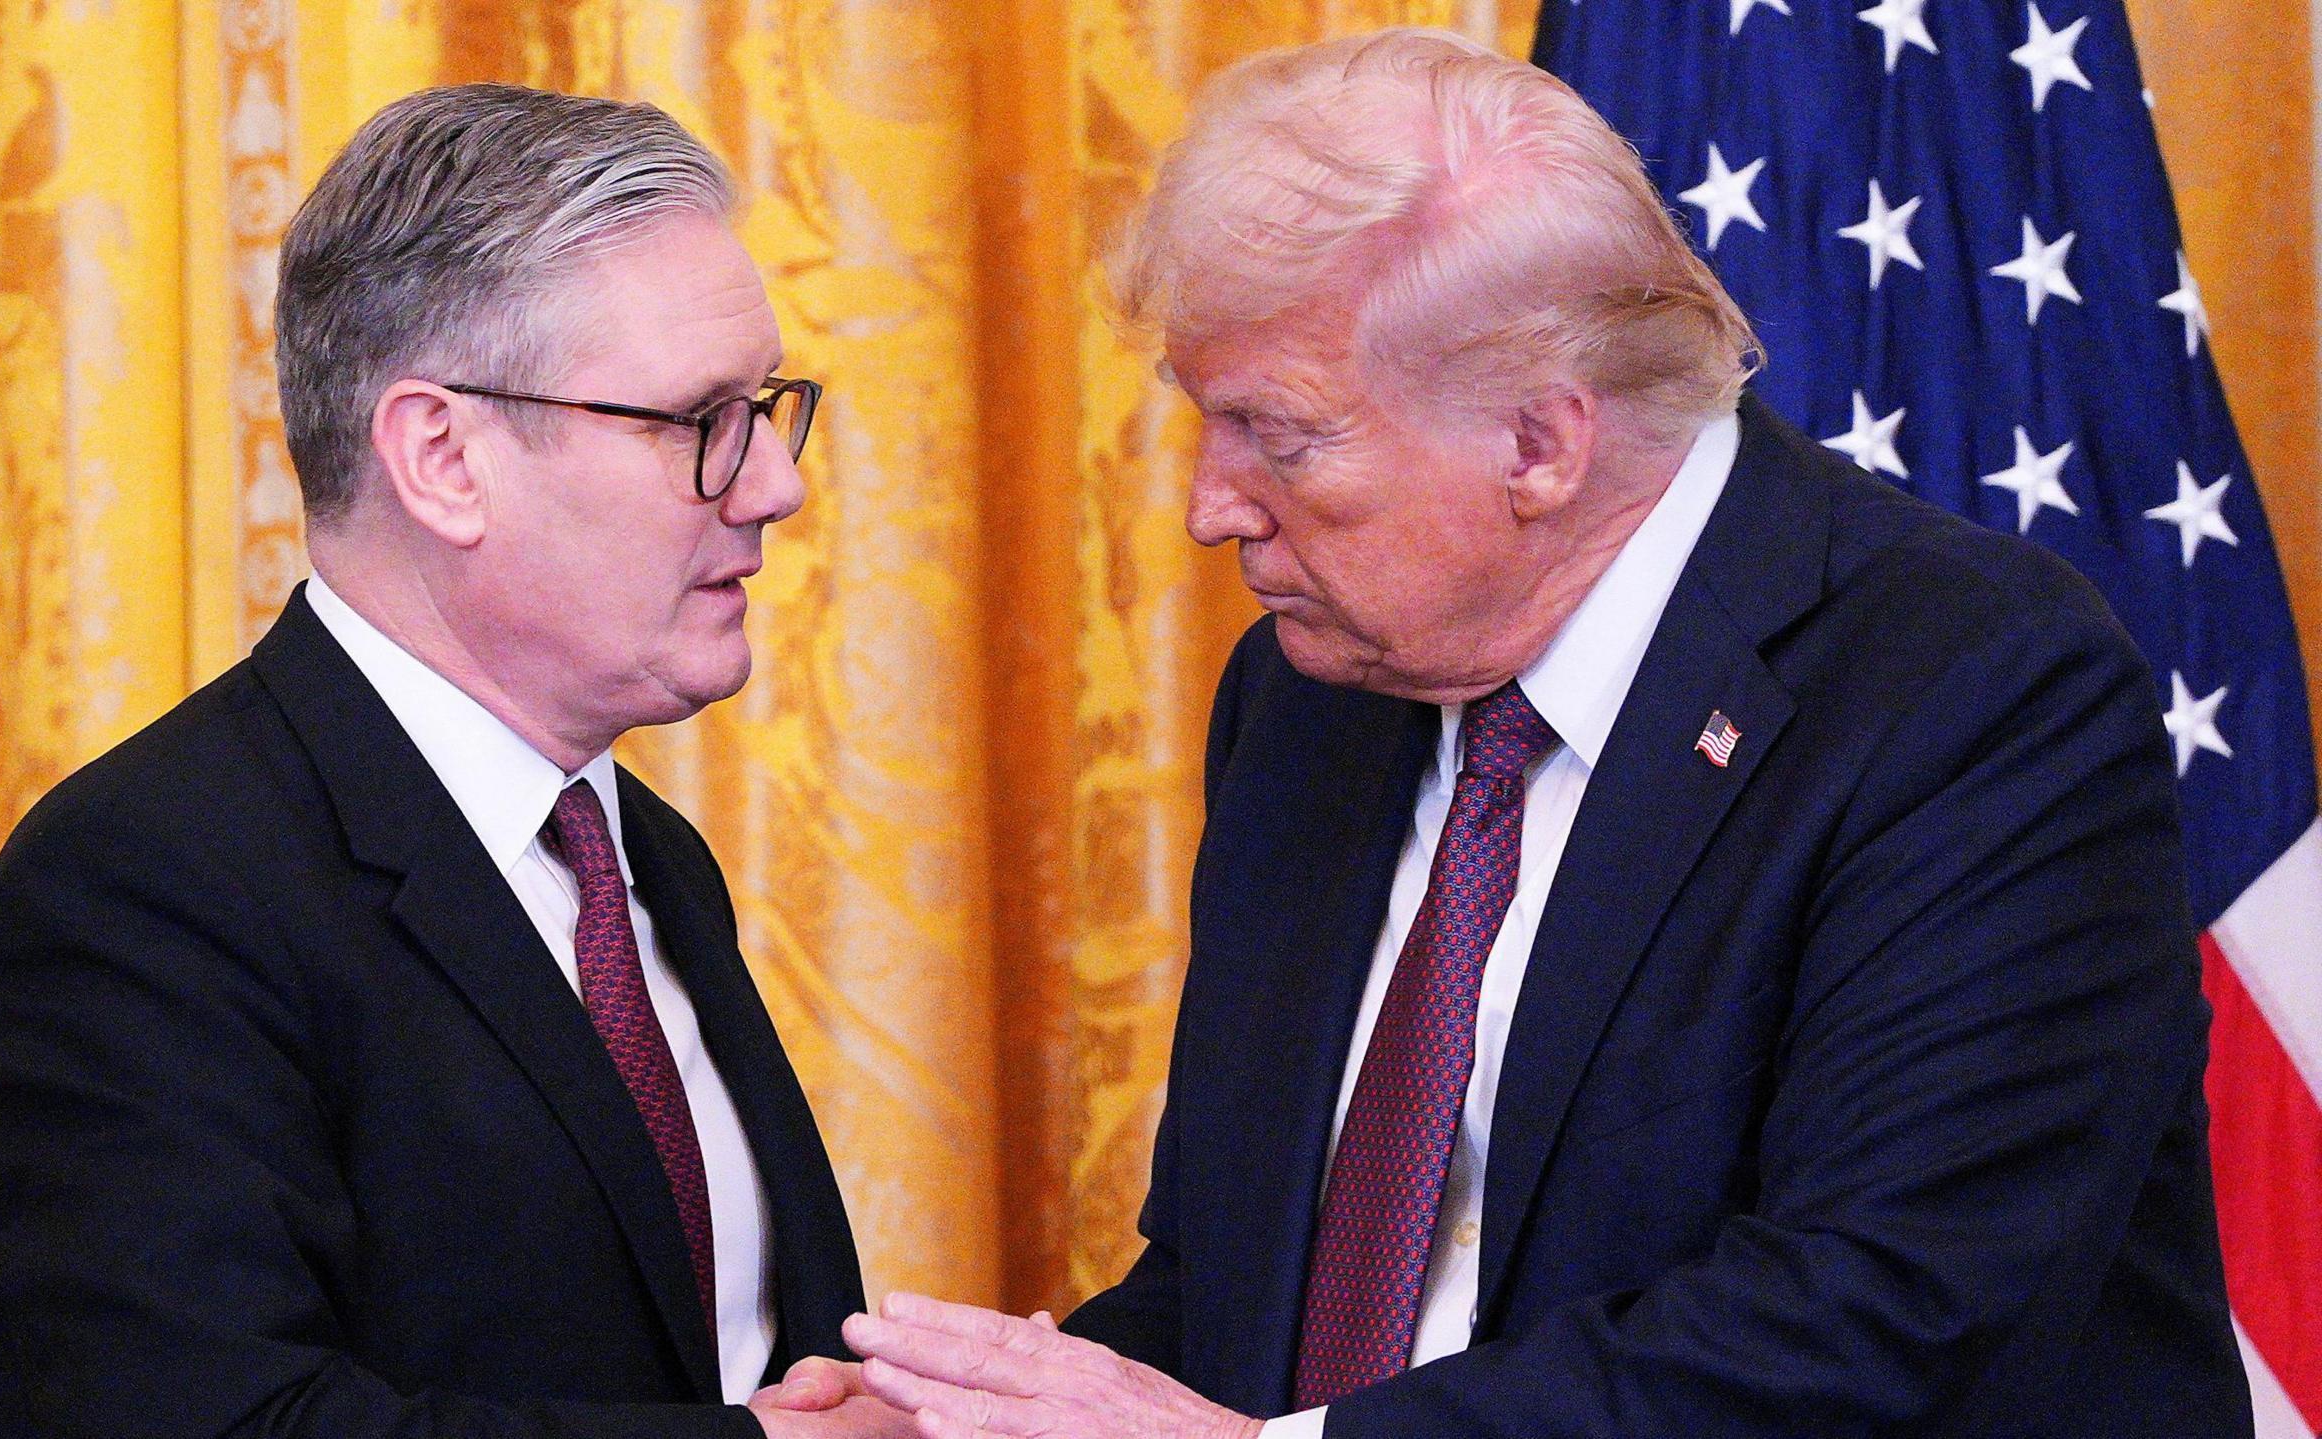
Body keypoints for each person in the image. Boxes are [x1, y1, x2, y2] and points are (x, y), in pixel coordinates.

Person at [830, 29, 2252, 1438]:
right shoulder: (1308, 701)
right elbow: (1242, 1288)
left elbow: (1873, 1316)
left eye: (1282, 435)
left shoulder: (1970, 692)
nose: (1214, 506)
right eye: (1208, 424)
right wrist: (975, 1417)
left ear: (1540, 445)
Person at [0, 84, 904, 1439]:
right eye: (700, 423)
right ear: (442, 457)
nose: (773, 486)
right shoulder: (140, 894)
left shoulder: (643, 860)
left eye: (767, 408)